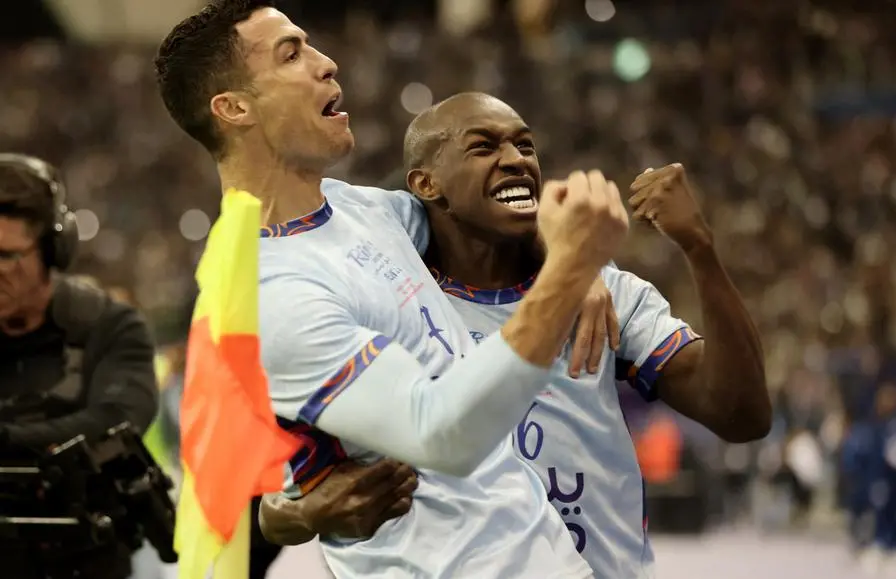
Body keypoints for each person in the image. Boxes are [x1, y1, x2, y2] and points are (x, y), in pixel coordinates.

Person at [154, 2, 627, 577]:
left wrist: (557, 254)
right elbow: (440, 434)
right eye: (291, 54)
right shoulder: (273, 291)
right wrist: (569, 272)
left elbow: (483, 215)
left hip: (542, 553)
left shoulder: (364, 209)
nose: (326, 63)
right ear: (234, 108)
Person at [259, 93, 772, 578]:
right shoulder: (387, 300)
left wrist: (698, 249)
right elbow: (275, 493)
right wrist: (299, 514)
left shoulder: (608, 294)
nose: (515, 159)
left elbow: (742, 415)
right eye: (483, 147)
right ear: (427, 184)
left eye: (524, 145)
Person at [0, 154, 160, 579]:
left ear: (54, 250)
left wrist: (9, 438)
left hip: (83, 563)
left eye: (7, 256)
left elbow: (117, 421)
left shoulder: (109, 327)